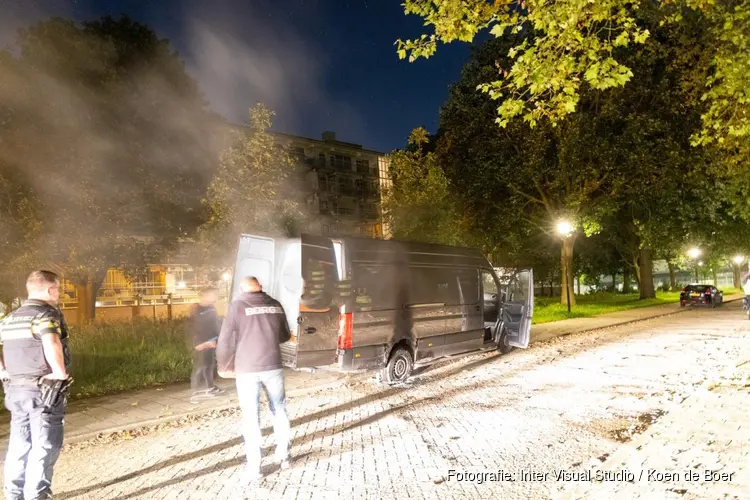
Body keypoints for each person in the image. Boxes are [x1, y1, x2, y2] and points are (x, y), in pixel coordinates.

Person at [0, 270, 71, 500]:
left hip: (15, 389)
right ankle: (36, 495)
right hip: (43, 391)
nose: (59, 294)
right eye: (58, 289)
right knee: (45, 446)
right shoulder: (45, 315)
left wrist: (3, 373)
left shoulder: (10, 318)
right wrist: (59, 373)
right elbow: (51, 342)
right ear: (50, 290)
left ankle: (13, 494)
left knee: (19, 445)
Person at [216, 276, 292, 482]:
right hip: (273, 366)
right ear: (260, 287)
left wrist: (223, 366)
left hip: (247, 368)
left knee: (251, 416)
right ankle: (284, 455)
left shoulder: (237, 306)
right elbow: (284, 336)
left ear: (243, 289)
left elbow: (224, 339)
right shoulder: (276, 305)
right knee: (279, 409)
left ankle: (255, 467)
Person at [188, 287, 224, 403]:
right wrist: (199, 343)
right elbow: (192, 328)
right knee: (200, 366)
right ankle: (194, 393)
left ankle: (211, 387)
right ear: (207, 295)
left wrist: (218, 338)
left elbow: (215, 324)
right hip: (202, 343)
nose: (216, 298)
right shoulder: (196, 309)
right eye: (215, 295)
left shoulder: (211, 308)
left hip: (212, 341)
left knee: (209, 365)